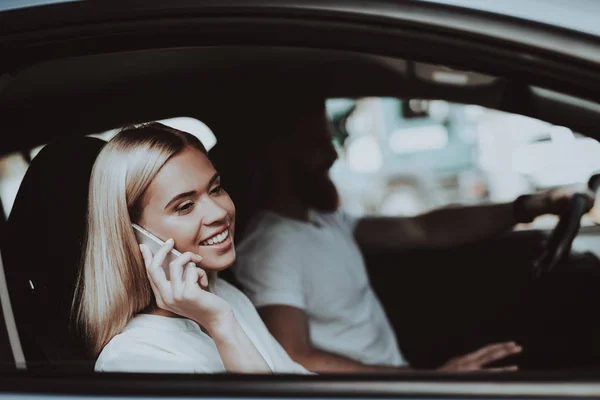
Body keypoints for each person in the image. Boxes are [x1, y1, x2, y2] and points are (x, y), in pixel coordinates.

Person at [232, 96, 594, 373]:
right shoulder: (271, 245)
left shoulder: (322, 220)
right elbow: (293, 356)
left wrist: (531, 206)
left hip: (399, 379)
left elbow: (424, 229)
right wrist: (426, 382)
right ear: (277, 155)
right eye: (315, 144)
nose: (332, 155)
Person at [74, 122, 309, 374]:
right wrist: (220, 324)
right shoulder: (131, 358)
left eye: (216, 189)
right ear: (133, 235)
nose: (219, 212)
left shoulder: (222, 294)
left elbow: (296, 378)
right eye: (185, 206)